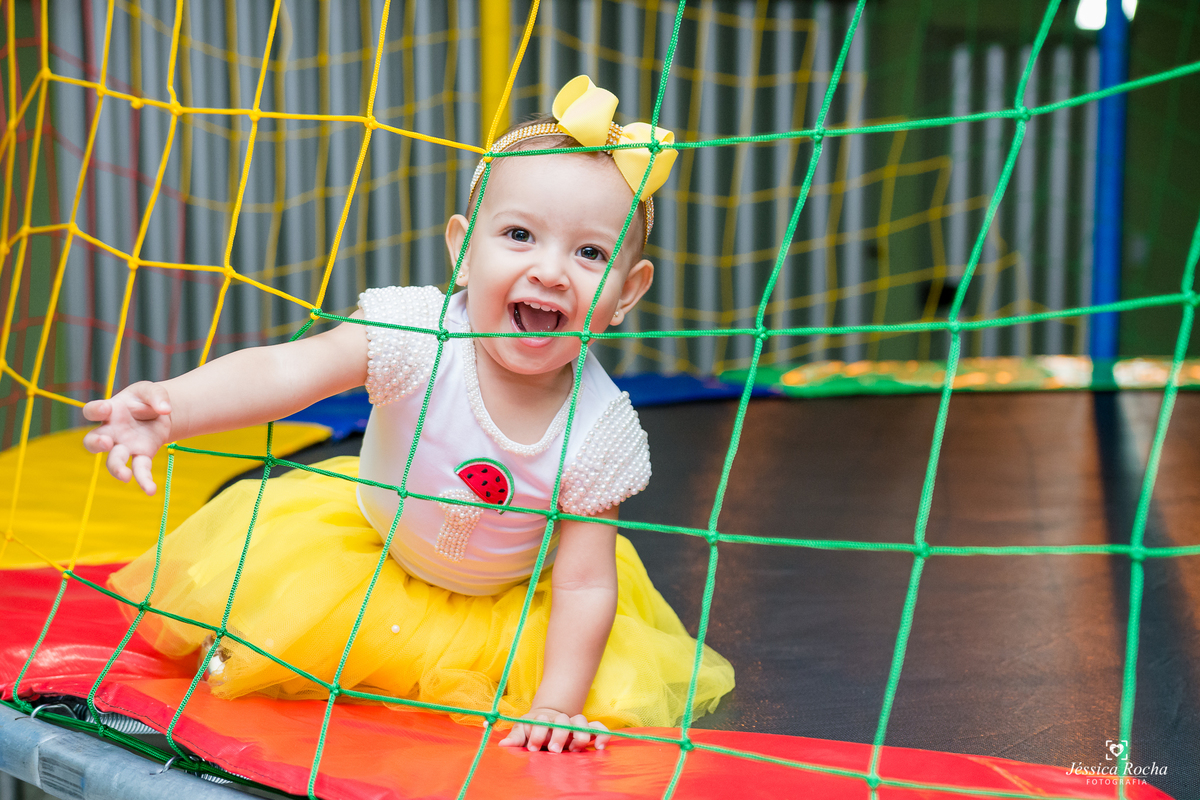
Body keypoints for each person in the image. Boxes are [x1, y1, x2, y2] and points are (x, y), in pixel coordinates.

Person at [84, 76, 734, 754]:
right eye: (519, 234)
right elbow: (287, 372)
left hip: (509, 611)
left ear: (627, 293)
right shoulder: (416, 337)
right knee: (269, 667)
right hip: (366, 560)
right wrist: (174, 408)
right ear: (463, 249)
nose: (550, 271)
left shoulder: (599, 430)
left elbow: (586, 578)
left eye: (590, 253)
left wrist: (556, 705)